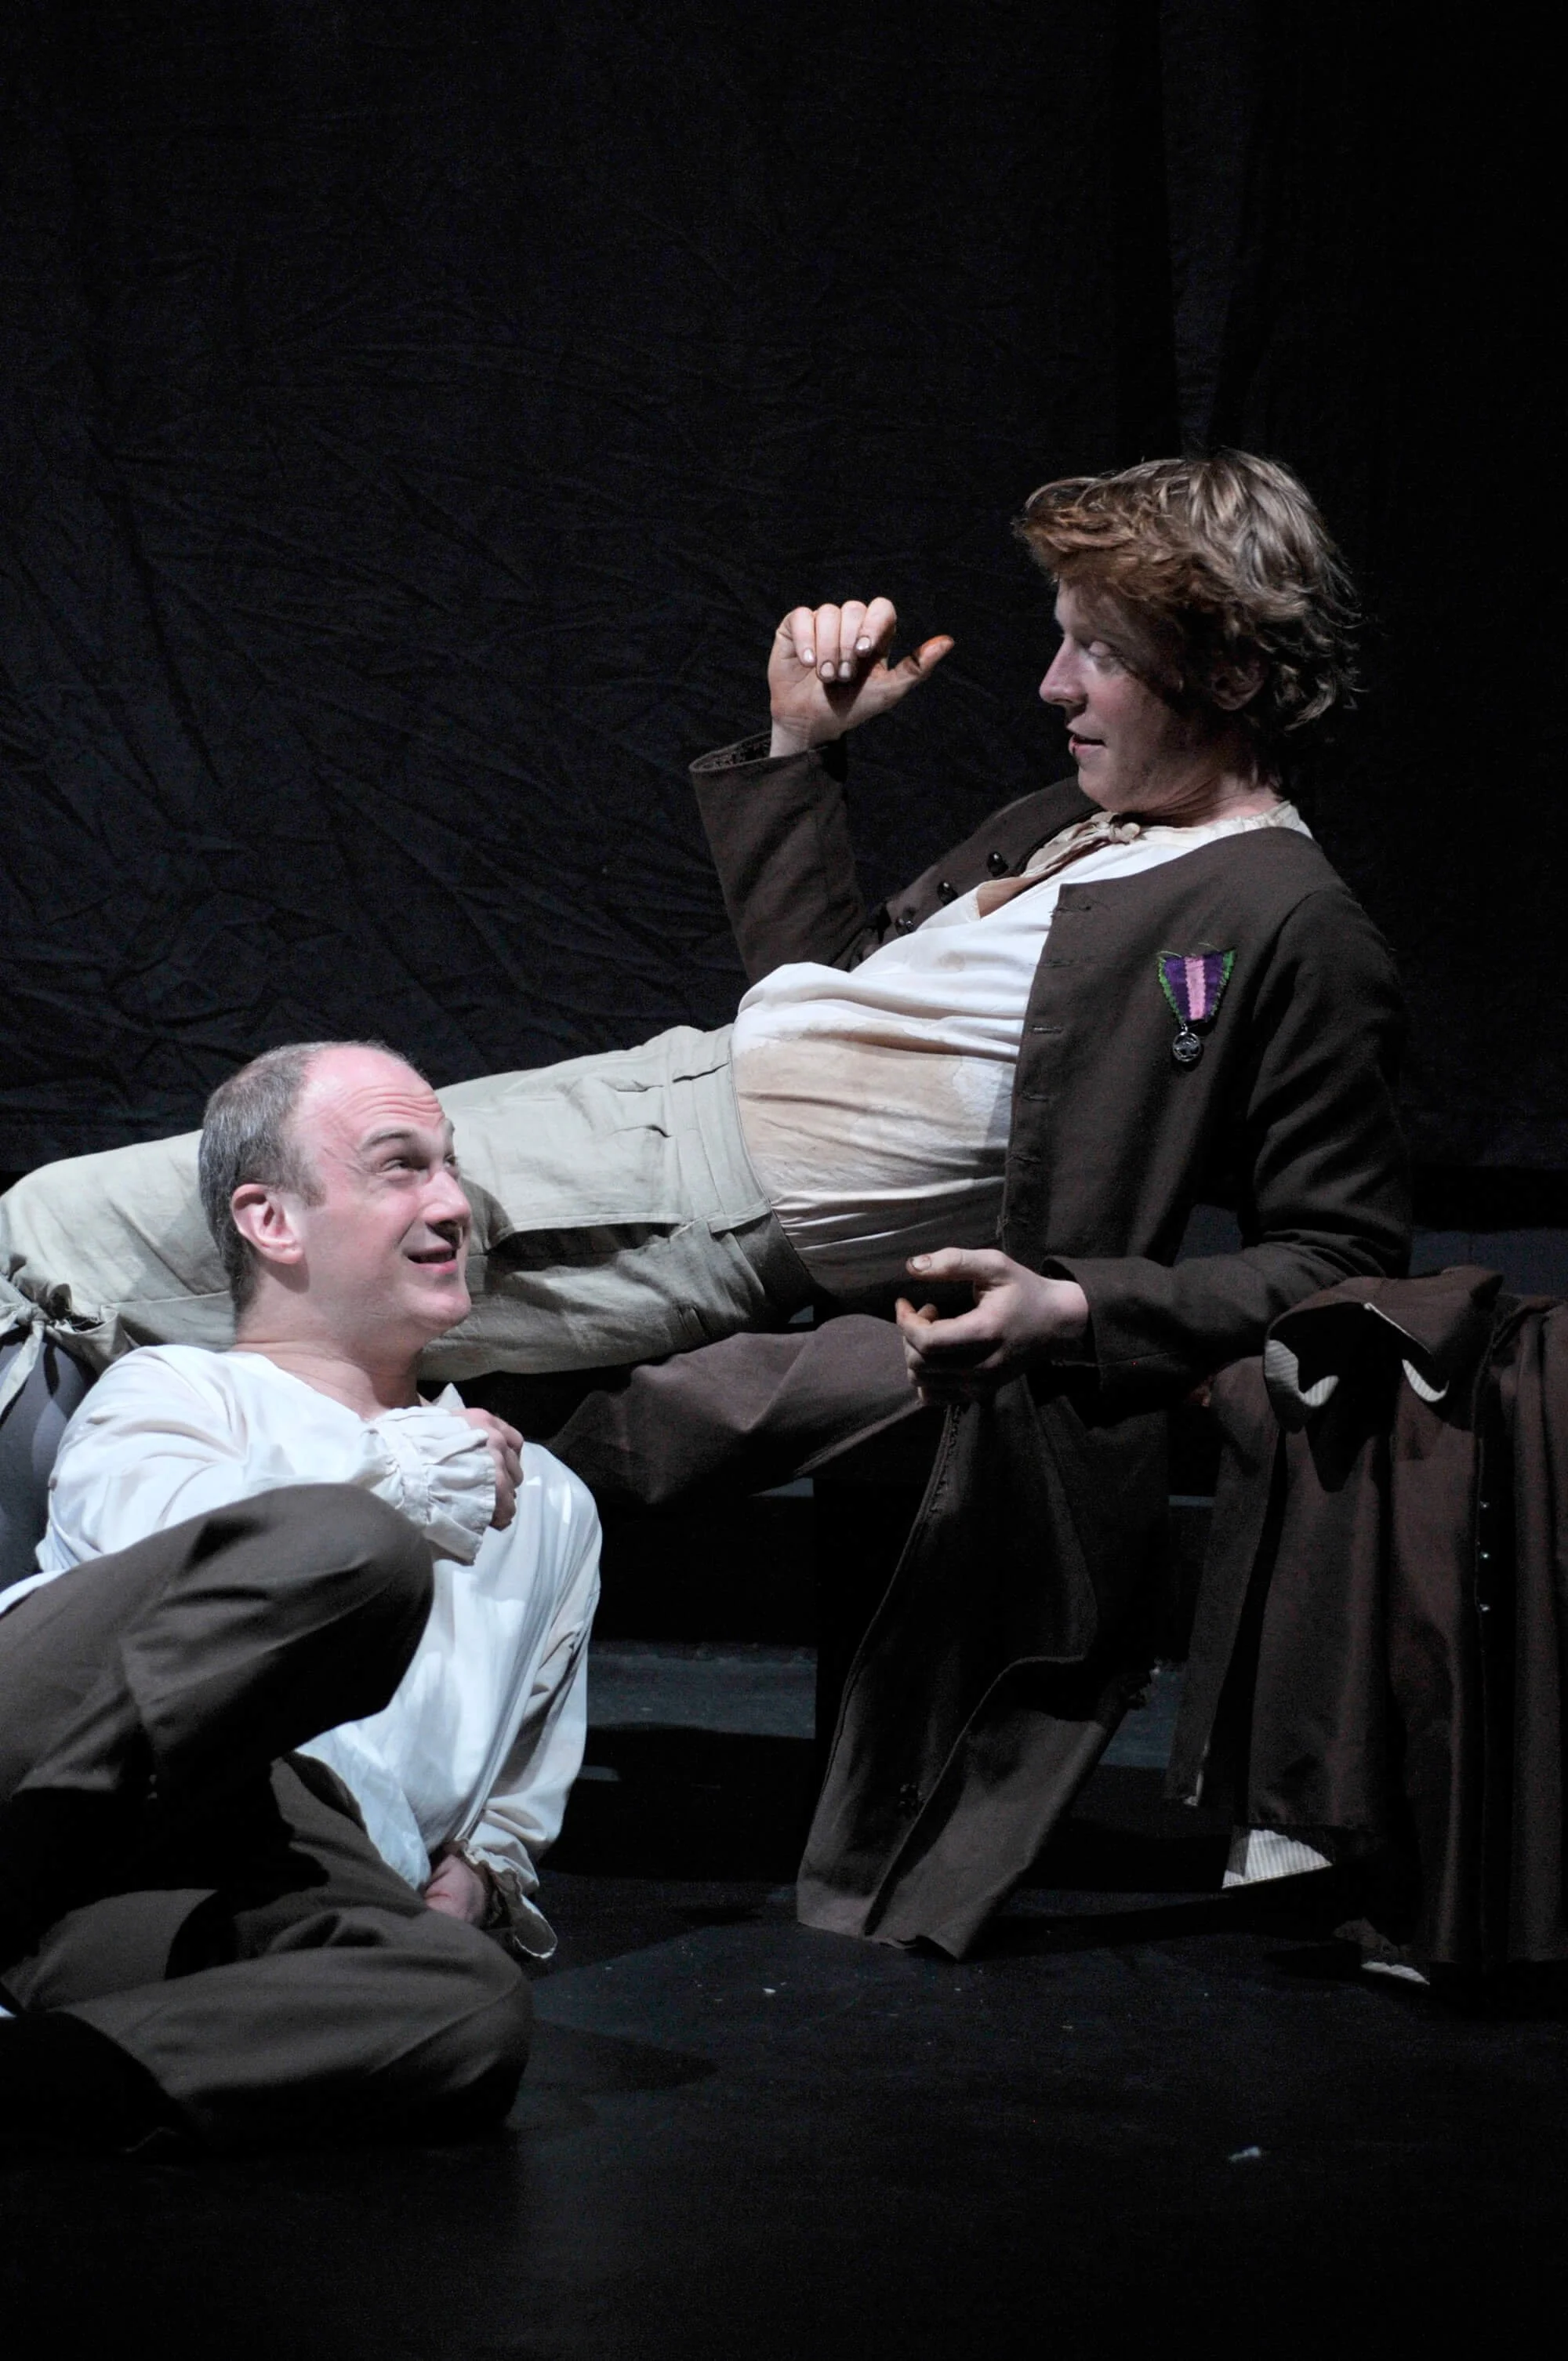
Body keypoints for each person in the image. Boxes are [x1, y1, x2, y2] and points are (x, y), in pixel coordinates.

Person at [0, 452, 1407, 1949]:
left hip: (679, 1200)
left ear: (1237, 665)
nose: (1054, 684)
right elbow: (823, 1000)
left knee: (47, 1241)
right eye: (1063, 637)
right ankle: (92, 1754)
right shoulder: (1073, 824)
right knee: (80, 1266)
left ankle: (52, 1780)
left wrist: (1079, 1305)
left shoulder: (1285, 920)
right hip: (657, 1114)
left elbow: (1340, 1253)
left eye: (1101, 653)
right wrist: (803, 755)